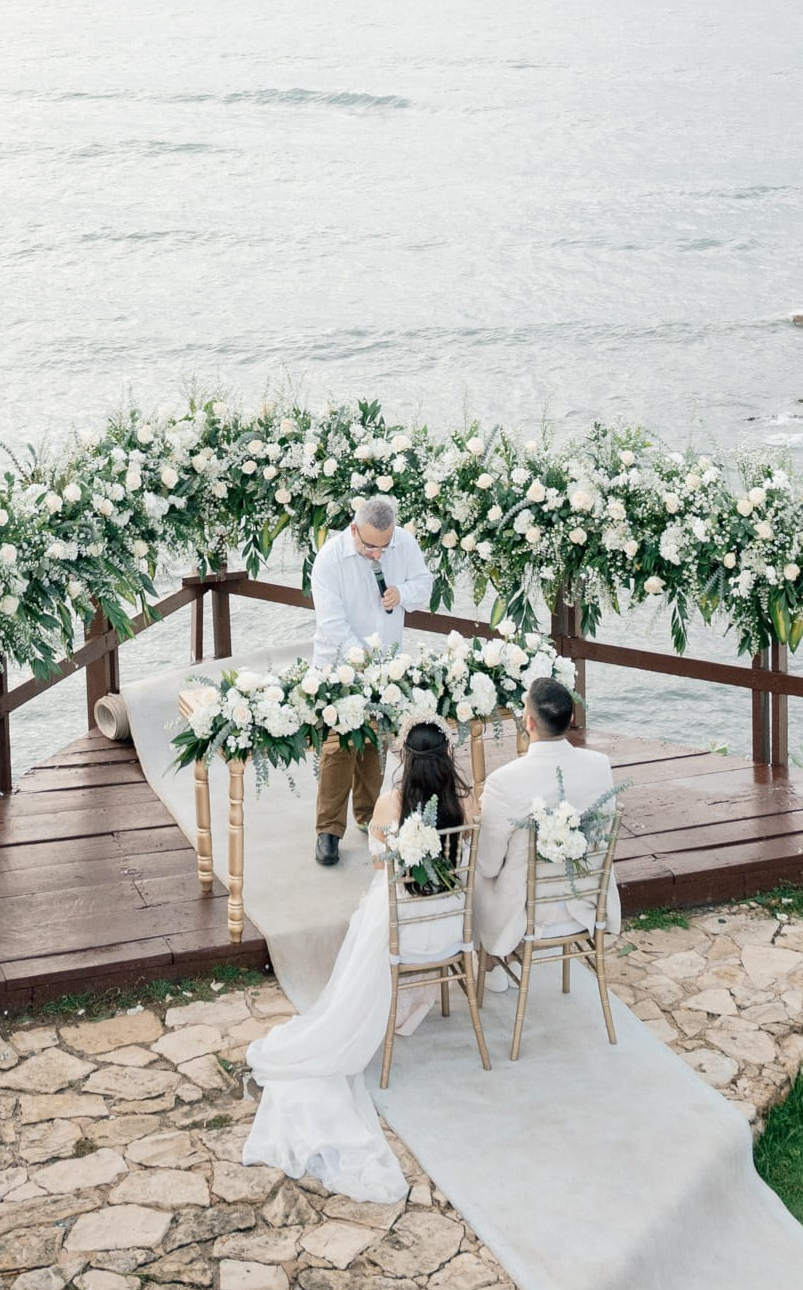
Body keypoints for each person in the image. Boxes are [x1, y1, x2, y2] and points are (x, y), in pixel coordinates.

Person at [244, 720, 474, 1200]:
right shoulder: (465, 802)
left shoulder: (390, 805)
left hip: (403, 931)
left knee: (369, 918)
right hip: (449, 927)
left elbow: (378, 865)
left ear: (405, 760)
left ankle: (377, 1002)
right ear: (447, 759)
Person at [471, 674, 619, 987]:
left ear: (528, 723)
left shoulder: (504, 781)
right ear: (572, 718)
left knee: (473, 868)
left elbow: (487, 864)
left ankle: (498, 959)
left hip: (527, 916)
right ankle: (504, 959)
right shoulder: (599, 766)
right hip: (587, 905)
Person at [307, 497, 430, 866]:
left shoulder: (403, 543)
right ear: (354, 530)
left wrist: (402, 593)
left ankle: (366, 815)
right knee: (338, 746)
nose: (378, 554)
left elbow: (424, 585)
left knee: (374, 743)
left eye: (385, 546)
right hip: (338, 665)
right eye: (370, 546)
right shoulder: (329, 559)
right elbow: (331, 624)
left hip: (386, 667)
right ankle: (328, 830)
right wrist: (363, 664)